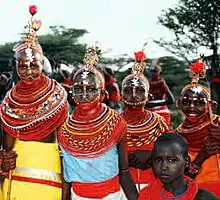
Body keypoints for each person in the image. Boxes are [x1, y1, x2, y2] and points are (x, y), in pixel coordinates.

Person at [0, 5, 68, 200]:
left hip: (49, 171)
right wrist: (4, 160)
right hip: (18, 175)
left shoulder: (57, 96)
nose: (28, 71)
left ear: (42, 65)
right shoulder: (10, 100)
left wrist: (65, 192)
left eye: (34, 65)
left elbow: (65, 149)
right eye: (22, 66)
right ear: (16, 67)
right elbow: (7, 147)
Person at [58, 46, 138, 200]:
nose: (85, 95)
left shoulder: (116, 123)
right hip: (78, 196)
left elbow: (124, 170)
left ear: (102, 94)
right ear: (72, 93)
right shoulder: (66, 129)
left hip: (112, 196)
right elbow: (66, 176)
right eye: (79, 89)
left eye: (91, 89)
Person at [121, 50, 169, 191]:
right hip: (119, 187)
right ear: (120, 94)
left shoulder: (159, 123)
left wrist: (151, 154)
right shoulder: (112, 123)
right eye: (128, 91)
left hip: (154, 185)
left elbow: (170, 152)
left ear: (150, 96)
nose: (134, 95)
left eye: (140, 91)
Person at [176, 59, 220, 198]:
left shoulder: (217, 125)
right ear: (178, 103)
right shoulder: (175, 137)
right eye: (186, 102)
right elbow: (176, 181)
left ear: (211, 105)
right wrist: (200, 158)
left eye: (199, 103)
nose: (192, 108)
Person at [139, 133, 219, 200]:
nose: (163, 166)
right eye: (158, 160)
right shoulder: (146, 195)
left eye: (171, 160)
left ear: (186, 162)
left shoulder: (203, 197)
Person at [146, 61, 175, 127]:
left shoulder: (161, 82)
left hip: (161, 112)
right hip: (150, 113)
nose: (152, 73)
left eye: (155, 71)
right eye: (150, 71)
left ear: (159, 72)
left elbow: (171, 100)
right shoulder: (147, 82)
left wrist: (154, 104)